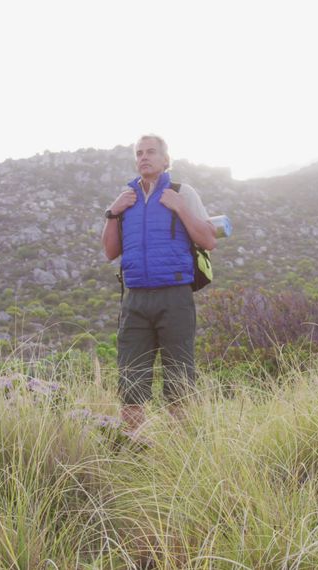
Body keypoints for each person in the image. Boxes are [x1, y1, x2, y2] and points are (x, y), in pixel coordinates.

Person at [101, 134, 217, 440]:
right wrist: (112, 212)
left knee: (179, 377)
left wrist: (180, 207)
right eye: (139, 153)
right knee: (131, 379)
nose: (143, 157)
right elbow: (110, 252)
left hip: (175, 297)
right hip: (135, 300)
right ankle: (135, 450)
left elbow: (208, 239)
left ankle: (180, 452)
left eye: (151, 152)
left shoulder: (182, 192)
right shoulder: (126, 198)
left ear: (165, 160)